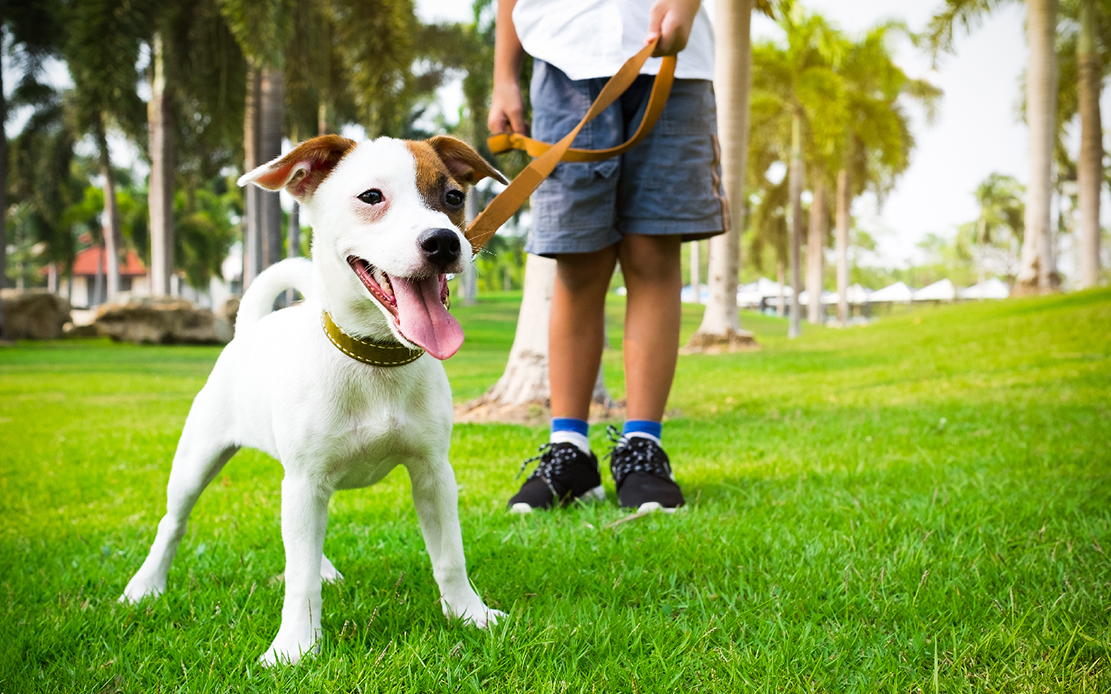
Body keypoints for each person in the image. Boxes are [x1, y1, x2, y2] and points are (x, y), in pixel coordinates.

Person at [489, 0, 727, 513]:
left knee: (653, 252)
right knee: (578, 261)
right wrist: (504, 76)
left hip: (672, 63)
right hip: (562, 55)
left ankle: (643, 447)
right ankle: (569, 450)